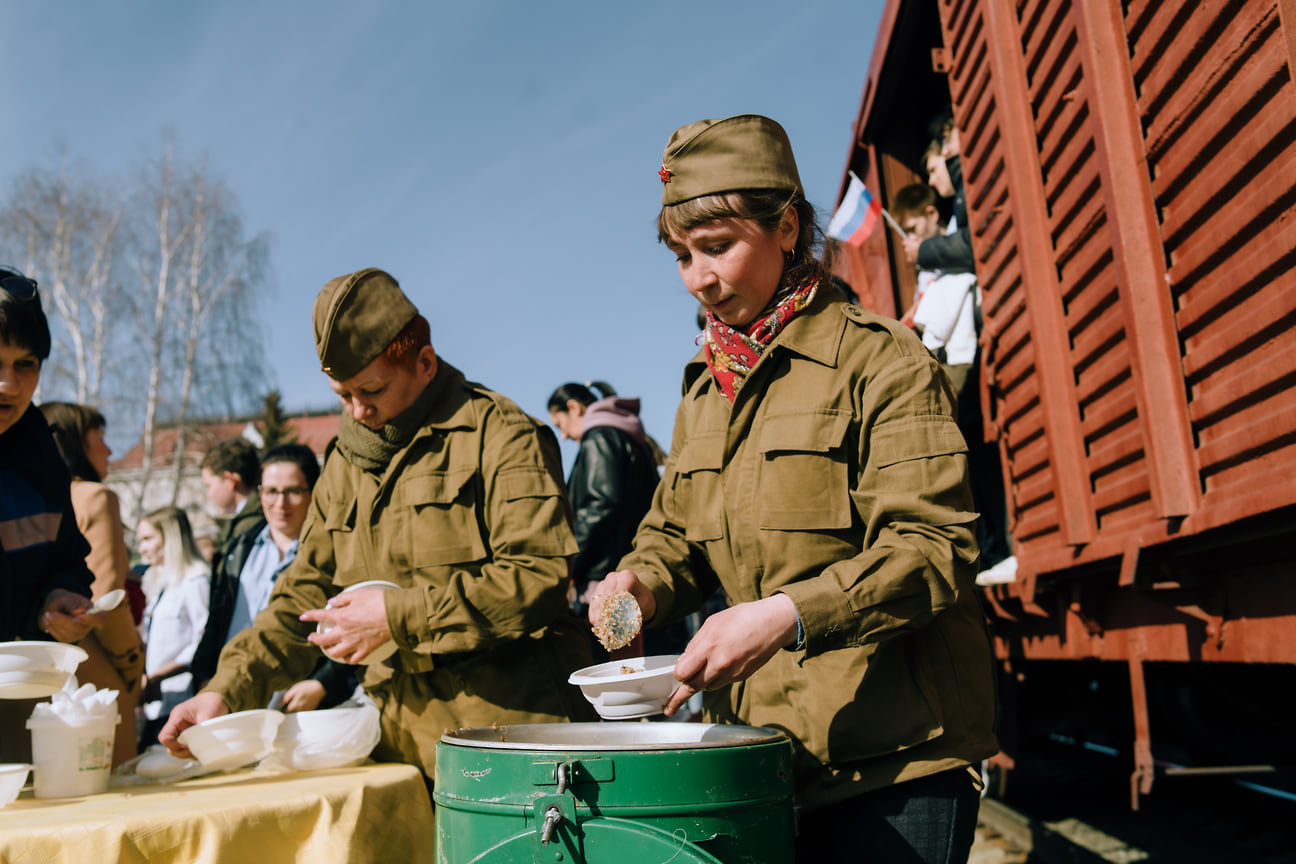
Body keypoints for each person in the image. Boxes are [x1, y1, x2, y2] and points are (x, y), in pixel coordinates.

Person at [590, 115, 998, 862]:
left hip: (892, 762)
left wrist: (785, 615)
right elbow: (675, 532)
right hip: (760, 757)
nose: (698, 278)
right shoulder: (705, 391)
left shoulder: (884, 363)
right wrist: (636, 586)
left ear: (787, 228)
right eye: (681, 255)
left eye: (717, 247)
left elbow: (934, 547)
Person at [161, 268, 595, 784]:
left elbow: (537, 577)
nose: (358, 411)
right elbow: (305, 594)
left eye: (372, 390)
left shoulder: (501, 434)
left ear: (425, 363)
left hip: (512, 736)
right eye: (342, 395)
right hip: (398, 745)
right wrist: (227, 689)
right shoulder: (344, 462)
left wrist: (398, 616)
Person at [0, 267, 101, 762]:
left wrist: (61, 597)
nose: (8, 384)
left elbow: (67, 561)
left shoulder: (42, 458)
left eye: (26, 364)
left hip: (16, 709)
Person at [895, 184, 1016, 583]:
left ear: (932, 214)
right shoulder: (935, 262)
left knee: (973, 455)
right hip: (956, 356)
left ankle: (995, 549)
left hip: (960, 357)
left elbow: (943, 314)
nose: (909, 239)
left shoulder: (950, 252)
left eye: (912, 229)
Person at [190, 443, 358, 711]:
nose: (280, 504)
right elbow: (216, 622)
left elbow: (355, 629)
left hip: (297, 704)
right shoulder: (238, 548)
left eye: (292, 491)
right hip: (232, 693)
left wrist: (324, 682)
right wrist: (203, 677)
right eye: (271, 491)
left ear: (314, 493)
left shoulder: (335, 556)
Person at [40, 401, 148, 766]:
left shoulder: (23, 498)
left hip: (31, 672)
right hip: (91, 673)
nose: (109, 449)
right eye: (99, 437)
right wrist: (132, 664)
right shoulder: (94, 497)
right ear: (75, 443)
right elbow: (107, 597)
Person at [547, 381, 687, 657]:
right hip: (639, 569)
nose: (562, 435)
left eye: (559, 423)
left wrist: (571, 562)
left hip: (608, 577)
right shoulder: (628, 435)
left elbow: (600, 504)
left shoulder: (599, 437)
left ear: (574, 408)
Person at [136, 506, 210, 747]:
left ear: (170, 538)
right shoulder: (160, 584)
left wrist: (160, 675)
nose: (141, 549)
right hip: (156, 704)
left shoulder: (196, 581)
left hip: (183, 700)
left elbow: (204, 642)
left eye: (148, 539)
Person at [200, 437, 263, 550]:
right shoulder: (244, 521)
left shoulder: (250, 527)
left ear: (230, 480)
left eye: (209, 485)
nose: (209, 494)